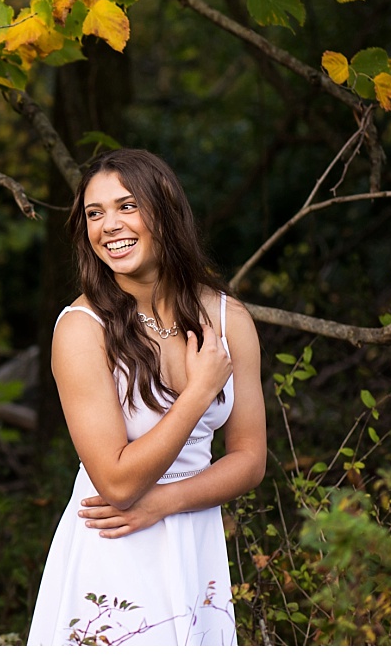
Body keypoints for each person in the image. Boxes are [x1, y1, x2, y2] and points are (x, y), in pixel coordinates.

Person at [28, 150, 266, 646]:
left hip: (193, 535)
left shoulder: (227, 319)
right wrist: (199, 392)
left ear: (165, 210)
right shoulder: (81, 330)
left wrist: (166, 503)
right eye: (95, 214)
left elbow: (250, 459)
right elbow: (115, 481)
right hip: (116, 540)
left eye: (127, 206)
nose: (109, 226)